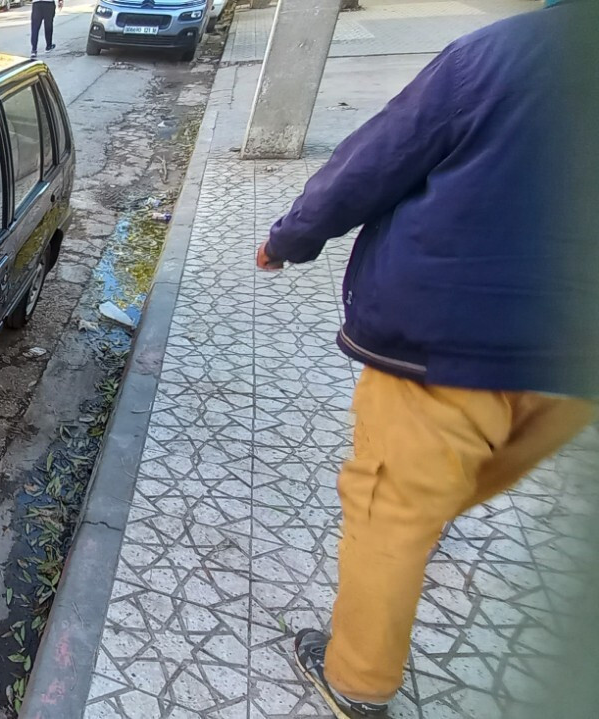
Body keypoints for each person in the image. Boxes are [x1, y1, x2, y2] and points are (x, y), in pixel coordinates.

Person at [255, 4, 596, 718]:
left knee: (391, 514)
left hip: (450, 348)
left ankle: (355, 679)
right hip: (572, 373)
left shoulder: (499, 56)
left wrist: (289, 238)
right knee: (467, 476)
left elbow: (374, 161)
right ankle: (433, 513)